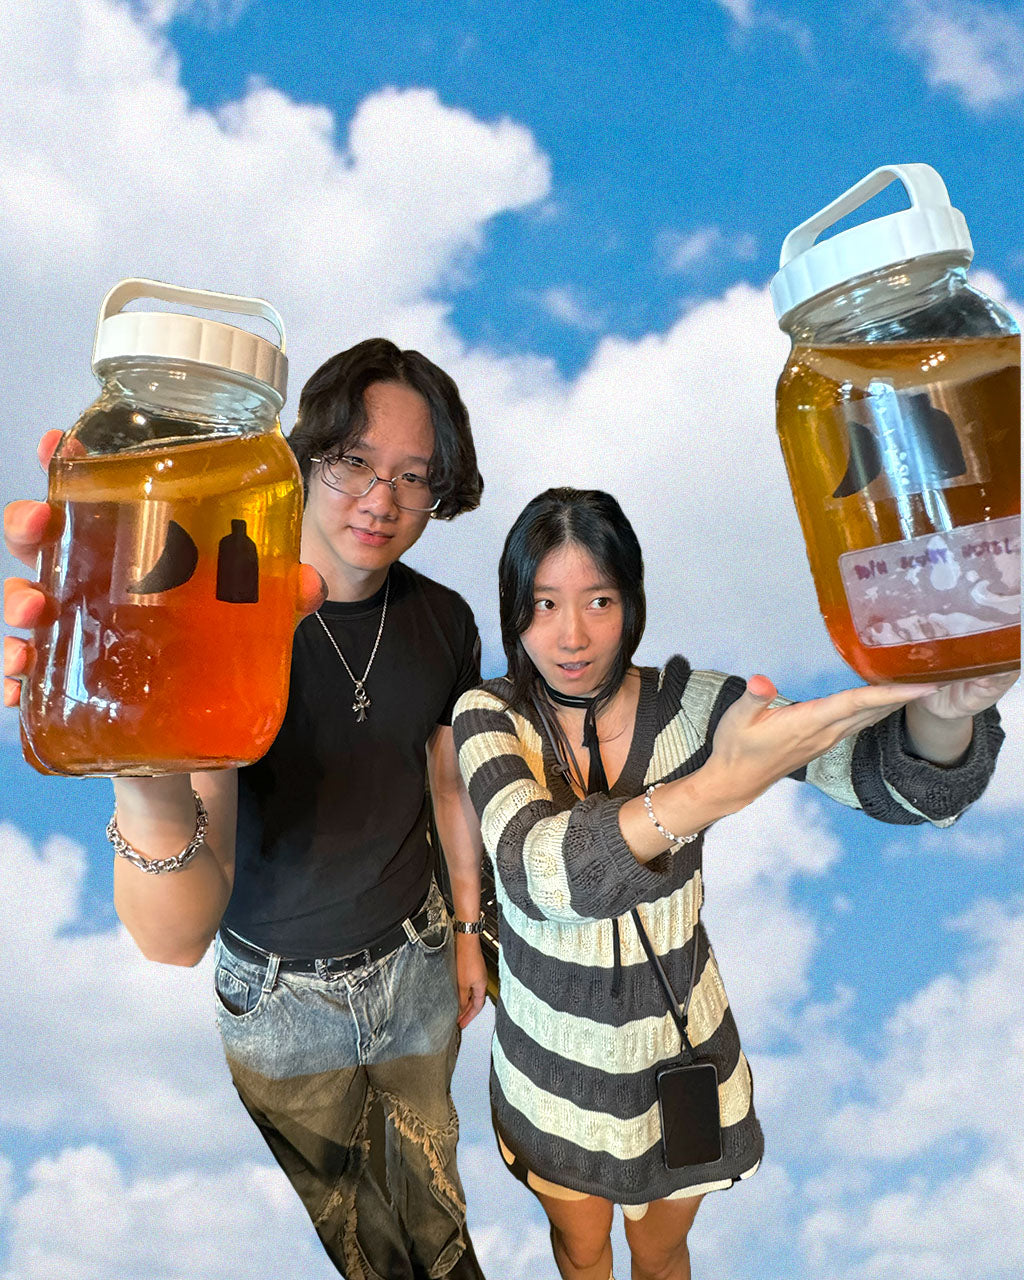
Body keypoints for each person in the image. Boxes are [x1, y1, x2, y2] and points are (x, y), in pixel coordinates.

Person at [3, 340, 491, 1280]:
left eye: (414, 478)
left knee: (434, 1207)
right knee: (366, 1241)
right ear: (303, 456)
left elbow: (447, 783)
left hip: (417, 965)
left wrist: (467, 929)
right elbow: (178, 935)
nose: (380, 500)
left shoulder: (446, 621)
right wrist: (142, 770)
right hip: (281, 1001)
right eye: (353, 462)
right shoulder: (220, 609)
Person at [451, 487, 1012, 1280]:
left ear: (631, 602)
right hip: (552, 1070)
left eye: (598, 601)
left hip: (682, 1058)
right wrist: (714, 788)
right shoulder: (489, 714)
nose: (569, 636)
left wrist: (944, 716)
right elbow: (534, 867)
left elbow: (884, 781)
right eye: (543, 604)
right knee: (580, 1253)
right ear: (513, 609)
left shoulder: (703, 707)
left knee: (664, 1249)